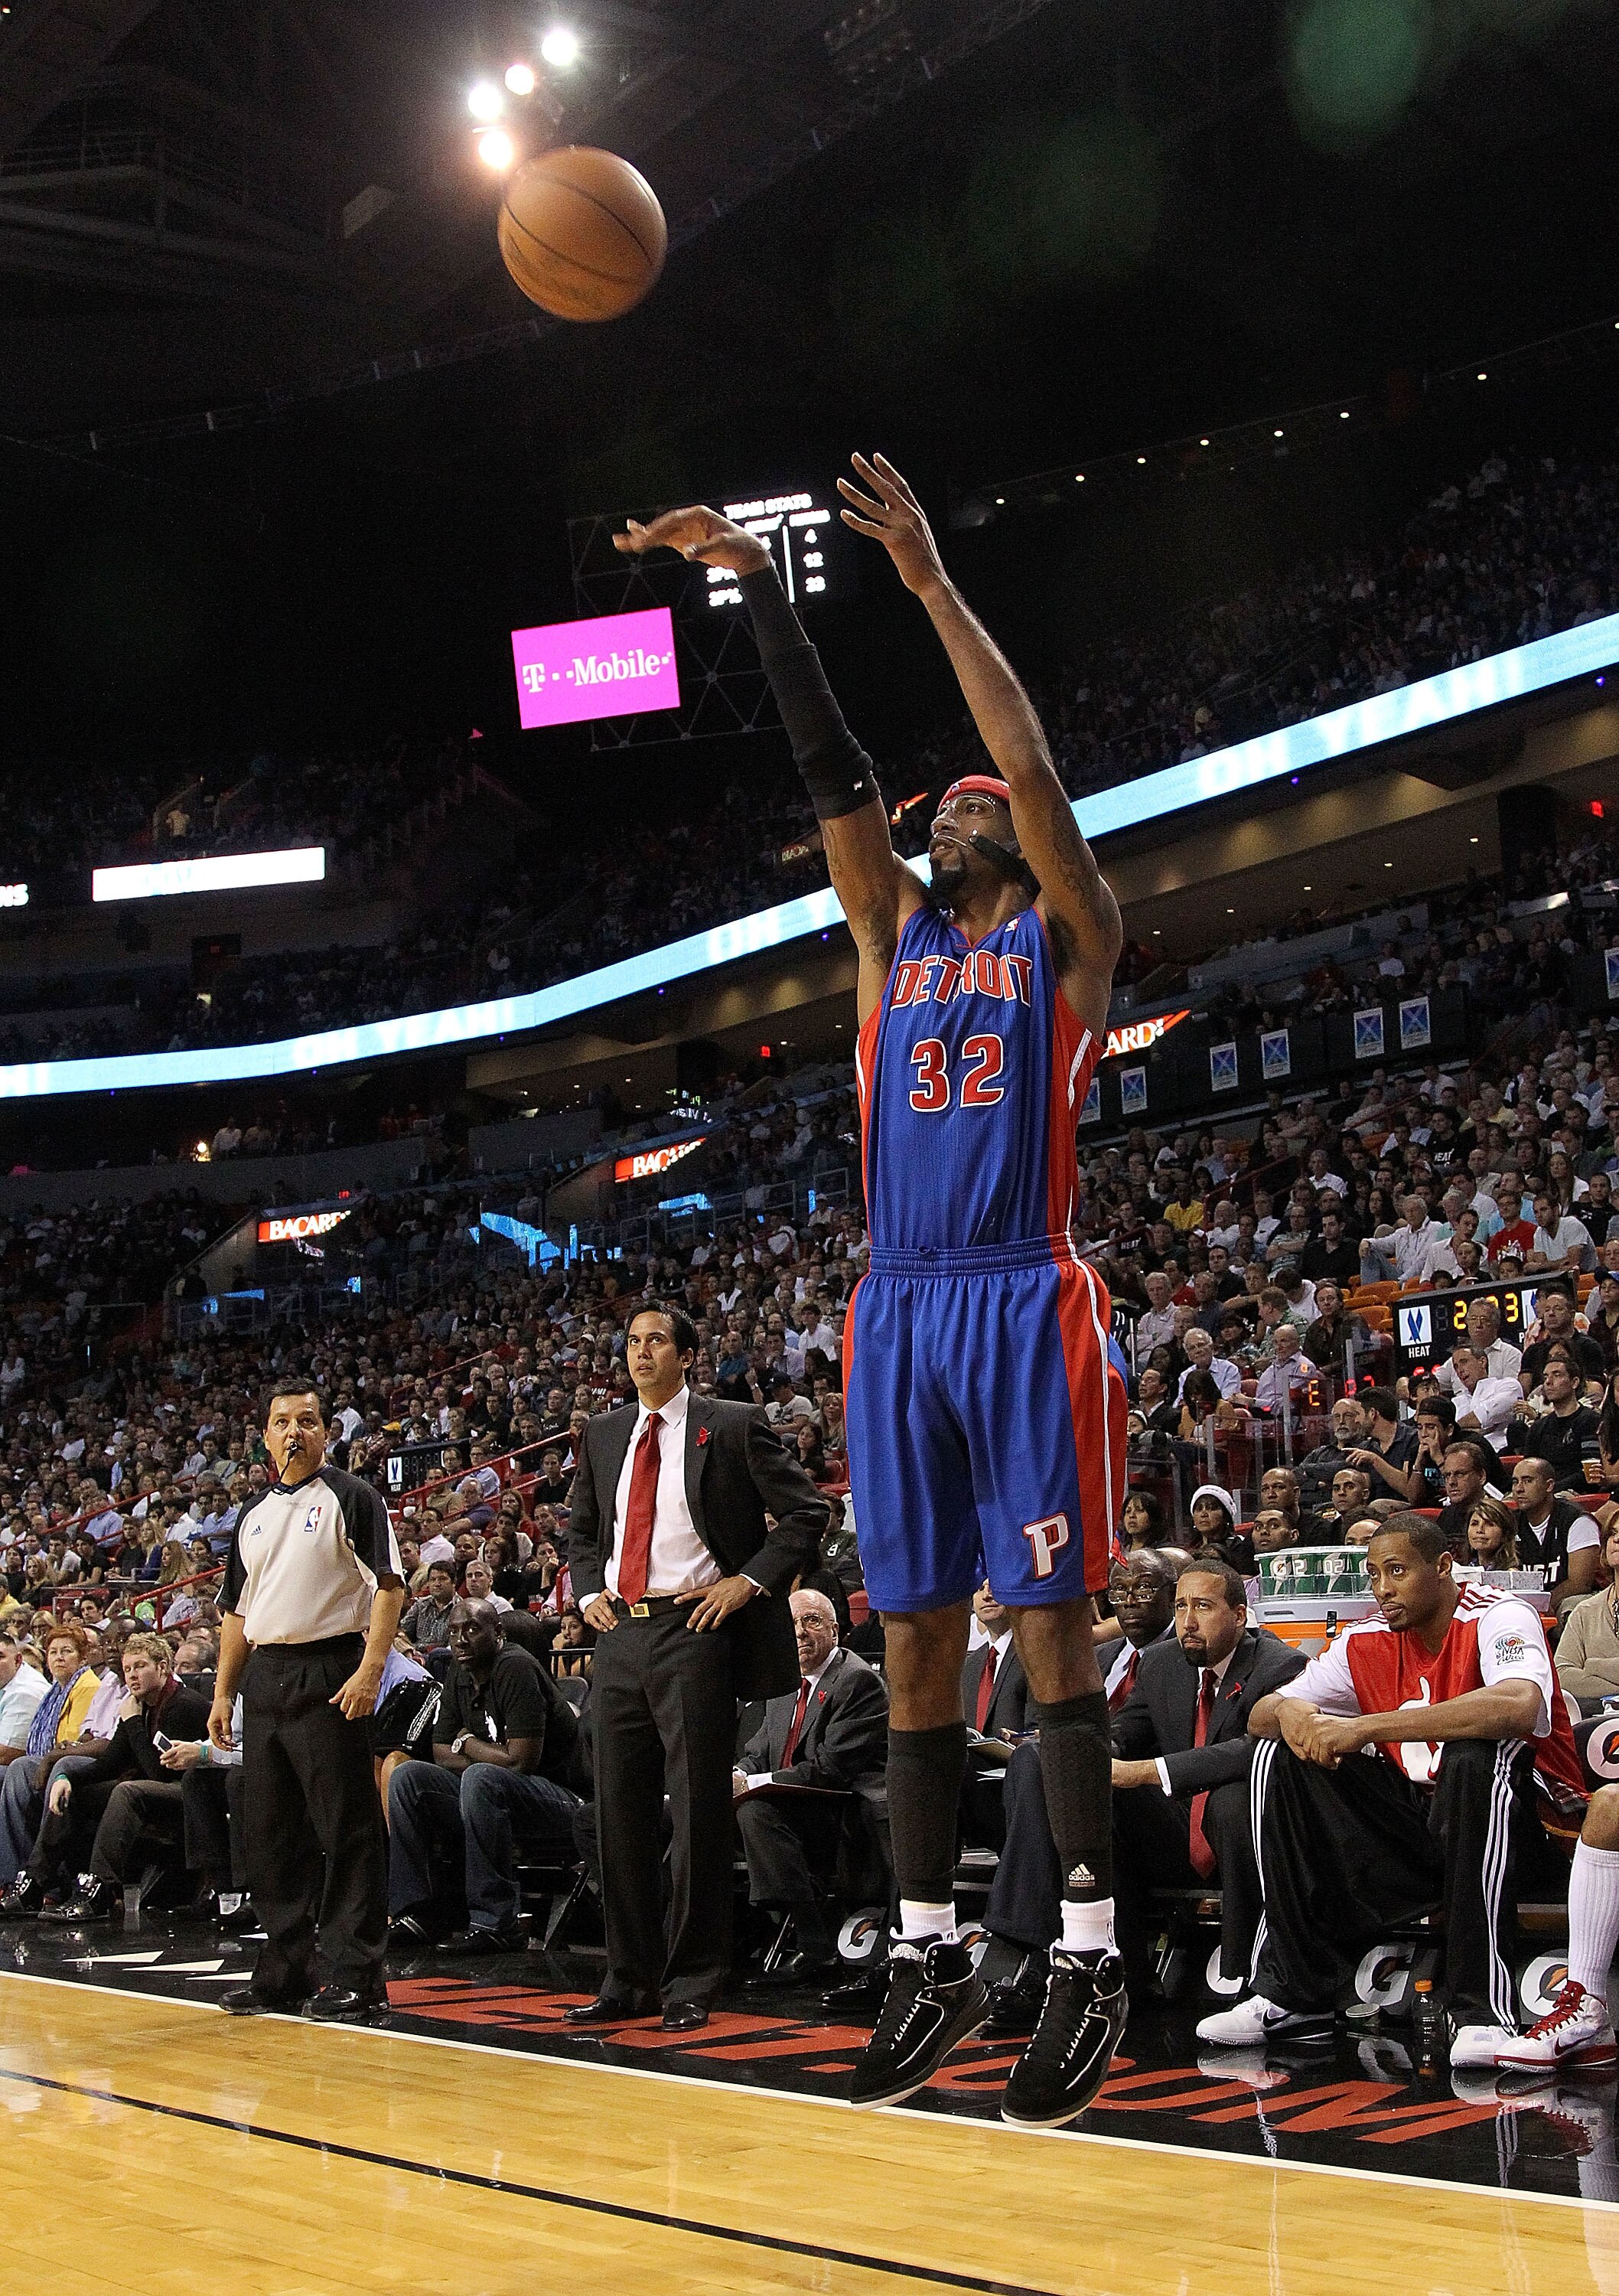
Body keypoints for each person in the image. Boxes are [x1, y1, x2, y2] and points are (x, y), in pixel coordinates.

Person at [617, 456, 1129, 2128]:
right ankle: (919, 1950)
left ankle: (1086, 1956)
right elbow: (826, 761)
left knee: (1043, 1632)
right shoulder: (883, 941)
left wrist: (920, 578)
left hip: (1018, 1290)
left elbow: (1035, 762)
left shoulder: (1064, 938)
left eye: (971, 803)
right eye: (944, 804)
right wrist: (753, 585)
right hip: (899, 1305)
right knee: (912, 1639)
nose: (949, 805)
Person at [1198, 1515, 1586, 2065]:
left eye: (1398, 1571)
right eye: (1374, 1574)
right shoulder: (1368, 1637)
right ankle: (1293, 1991)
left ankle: (1483, 2010)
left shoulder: (1500, 1614)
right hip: (1424, 1833)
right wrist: (1296, 1714)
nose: (1382, 1588)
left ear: (1444, 1566)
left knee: (1478, 1752)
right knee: (1277, 1754)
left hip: (1530, 1834)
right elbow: (1262, 1713)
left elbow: (1517, 1705)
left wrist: (1364, 1727)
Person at [562, 1302, 826, 2030]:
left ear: (686, 1355)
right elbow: (582, 1530)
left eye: (656, 1341)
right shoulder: (607, 1433)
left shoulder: (731, 1424)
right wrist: (587, 1589)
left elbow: (807, 1512)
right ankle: (628, 1978)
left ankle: (693, 1978)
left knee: (698, 1811)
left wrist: (749, 1581)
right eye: (633, 1342)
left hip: (695, 1628)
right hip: (618, 1633)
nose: (641, 1353)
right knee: (618, 1811)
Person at [210, 1382, 406, 2022]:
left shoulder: (354, 1497)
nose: (294, 1432)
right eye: (281, 1422)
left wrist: (371, 1668)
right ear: (265, 1437)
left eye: (308, 1421)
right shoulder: (252, 1514)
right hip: (266, 1676)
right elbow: (236, 1615)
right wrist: (222, 1691)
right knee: (270, 1835)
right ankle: (287, 1969)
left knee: (346, 1828)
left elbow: (389, 1586)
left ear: (327, 1433)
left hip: (330, 1668)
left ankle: (357, 1973)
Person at [979, 1548, 1184, 2031]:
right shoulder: (1099, 1657)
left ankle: (1020, 1951)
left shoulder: (1180, 1656)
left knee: (1045, 1764)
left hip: (1157, 1806)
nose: (1130, 1601)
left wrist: (1070, 1751)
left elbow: (1130, 1737)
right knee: (1029, 1766)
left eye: (1144, 1590)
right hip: (1083, 1804)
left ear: (1173, 1597)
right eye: (1120, 1591)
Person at [386, 1599, 587, 1953]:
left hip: (565, 1802)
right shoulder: (458, 1672)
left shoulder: (516, 1668)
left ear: (498, 1634)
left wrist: (467, 1742)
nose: (460, 1640)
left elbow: (520, 1762)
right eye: (453, 1632)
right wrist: (474, 1753)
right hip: (495, 1792)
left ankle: (496, 1922)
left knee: (482, 1778)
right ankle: (420, 1912)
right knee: (409, 1778)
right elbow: (438, 1750)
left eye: (472, 1629)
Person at [733, 1587, 890, 1983]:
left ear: (835, 1632)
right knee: (693, 1813)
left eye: (812, 1621)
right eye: (792, 1625)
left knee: (756, 1811)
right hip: (790, 1803)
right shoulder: (784, 1684)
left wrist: (753, 1783)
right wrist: (738, 1774)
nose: (800, 1632)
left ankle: (812, 1941)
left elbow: (830, 1769)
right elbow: (759, 1751)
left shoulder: (857, 1681)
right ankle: (723, 1940)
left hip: (839, 1812)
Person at [25, 1634, 210, 1922]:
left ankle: (102, 1889)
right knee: (77, 1792)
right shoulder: (137, 1704)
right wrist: (66, 1776)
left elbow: (160, 1772)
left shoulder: (185, 1704)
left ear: (162, 1668)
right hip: (153, 1787)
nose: (132, 1676)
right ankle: (36, 1883)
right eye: (127, 1669)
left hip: (192, 1793)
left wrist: (133, 1722)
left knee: (127, 1790)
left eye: (140, 1666)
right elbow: (110, 1764)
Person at [1508, 1454, 1601, 1609]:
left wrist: (1541, 1607)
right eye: (1515, 1482)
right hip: (1522, 1606)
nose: (1519, 1489)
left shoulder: (1577, 1520)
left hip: (1566, 1602)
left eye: (1528, 1481)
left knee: (1572, 1606)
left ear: (1549, 1485)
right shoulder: (1511, 1522)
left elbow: (1580, 1583)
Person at [1510, 1354, 1604, 1492]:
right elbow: (1528, 1469)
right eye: (1546, 1377)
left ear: (1575, 1382)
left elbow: (1590, 1472)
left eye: (1557, 1375)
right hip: (1541, 1492)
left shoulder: (1590, 1420)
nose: (1548, 1382)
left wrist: (1549, 1490)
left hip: (1574, 1493)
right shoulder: (1538, 1427)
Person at [1555, 1522, 1619, 1709]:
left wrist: (1592, 1666)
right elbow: (1562, 1675)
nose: (1617, 1540)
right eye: (1612, 1533)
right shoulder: (1585, 1611)